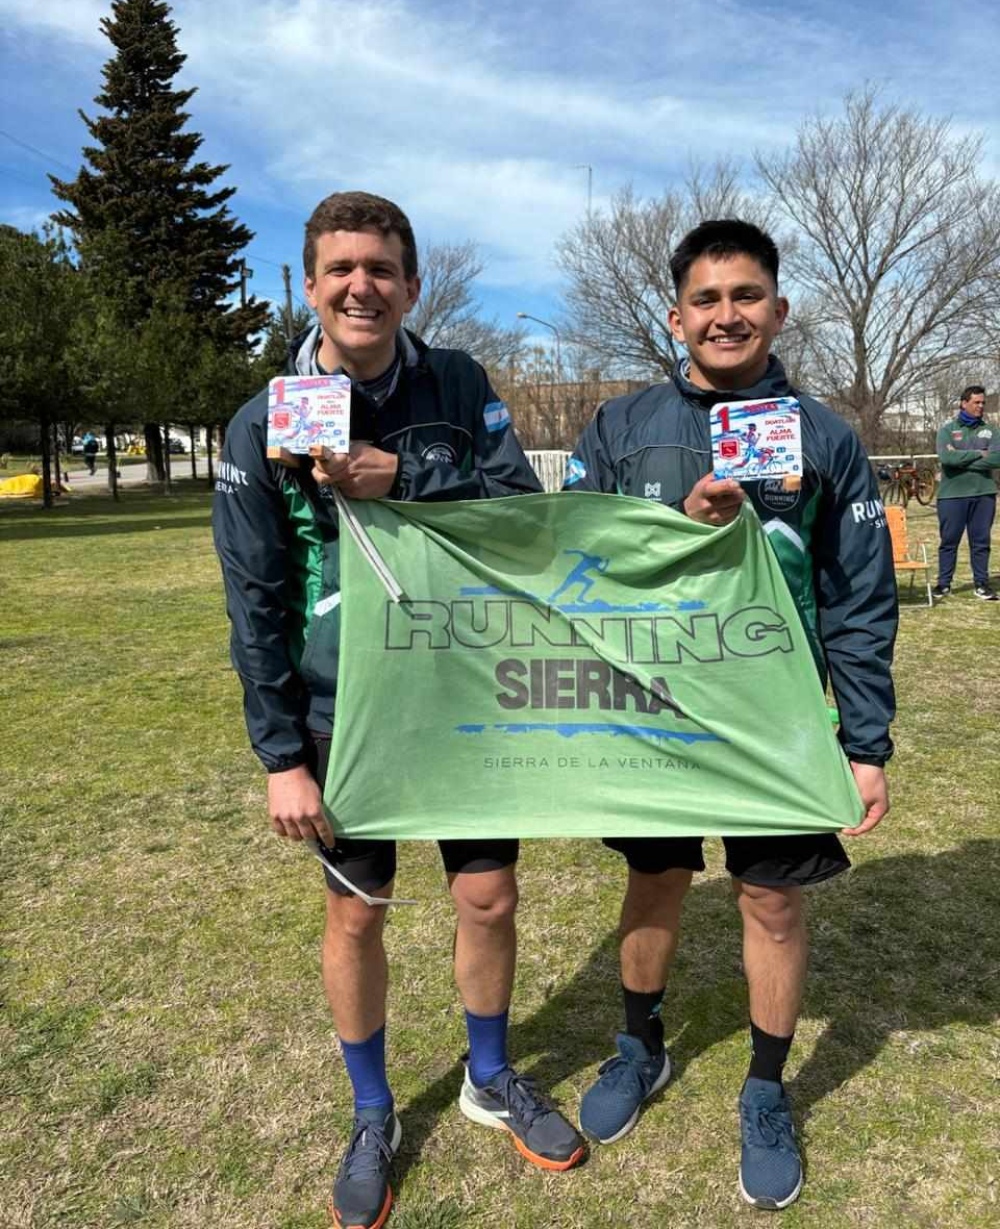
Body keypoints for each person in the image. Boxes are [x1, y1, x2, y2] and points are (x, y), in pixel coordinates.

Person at [212, 191, 584, 1229]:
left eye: (379, 268)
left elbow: (523, 521)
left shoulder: (458, 383)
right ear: (314, 285)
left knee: (489, 897)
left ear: (411, 285)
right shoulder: (262, 417)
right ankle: (372, 1111)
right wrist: (282, 755)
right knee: (355, 910)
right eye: (339, 269)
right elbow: (254, 597)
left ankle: (489, 1074)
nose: (360, 286)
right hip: (343, 710)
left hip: (462, 689)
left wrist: (409, 473)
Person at [563, 219, 897, 1211]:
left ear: (777, 310)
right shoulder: (618, 429)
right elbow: (569, 565)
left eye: (745, 296)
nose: (726, 315)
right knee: (655, 880)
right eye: (705, 299)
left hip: (777, 720)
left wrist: (865, 742)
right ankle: (640, 1043)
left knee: (771, 900)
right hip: (651, 711)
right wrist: (677, 536)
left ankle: (763, 1087)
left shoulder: (825, 437)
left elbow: (859, 598)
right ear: (676, 316)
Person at [932, 386, 1000, 601]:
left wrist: (961, 458)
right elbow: (947, 459)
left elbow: (997, 459)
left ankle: (981, 584)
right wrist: (979, 454)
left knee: (981, 541)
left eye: (982, 403)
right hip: (952, 496)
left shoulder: (992, 431)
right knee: (949, 541)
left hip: (984, 494)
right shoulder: (947, 430)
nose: (980, 406)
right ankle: (943, 584)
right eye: (976, 402)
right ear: (963, 403)